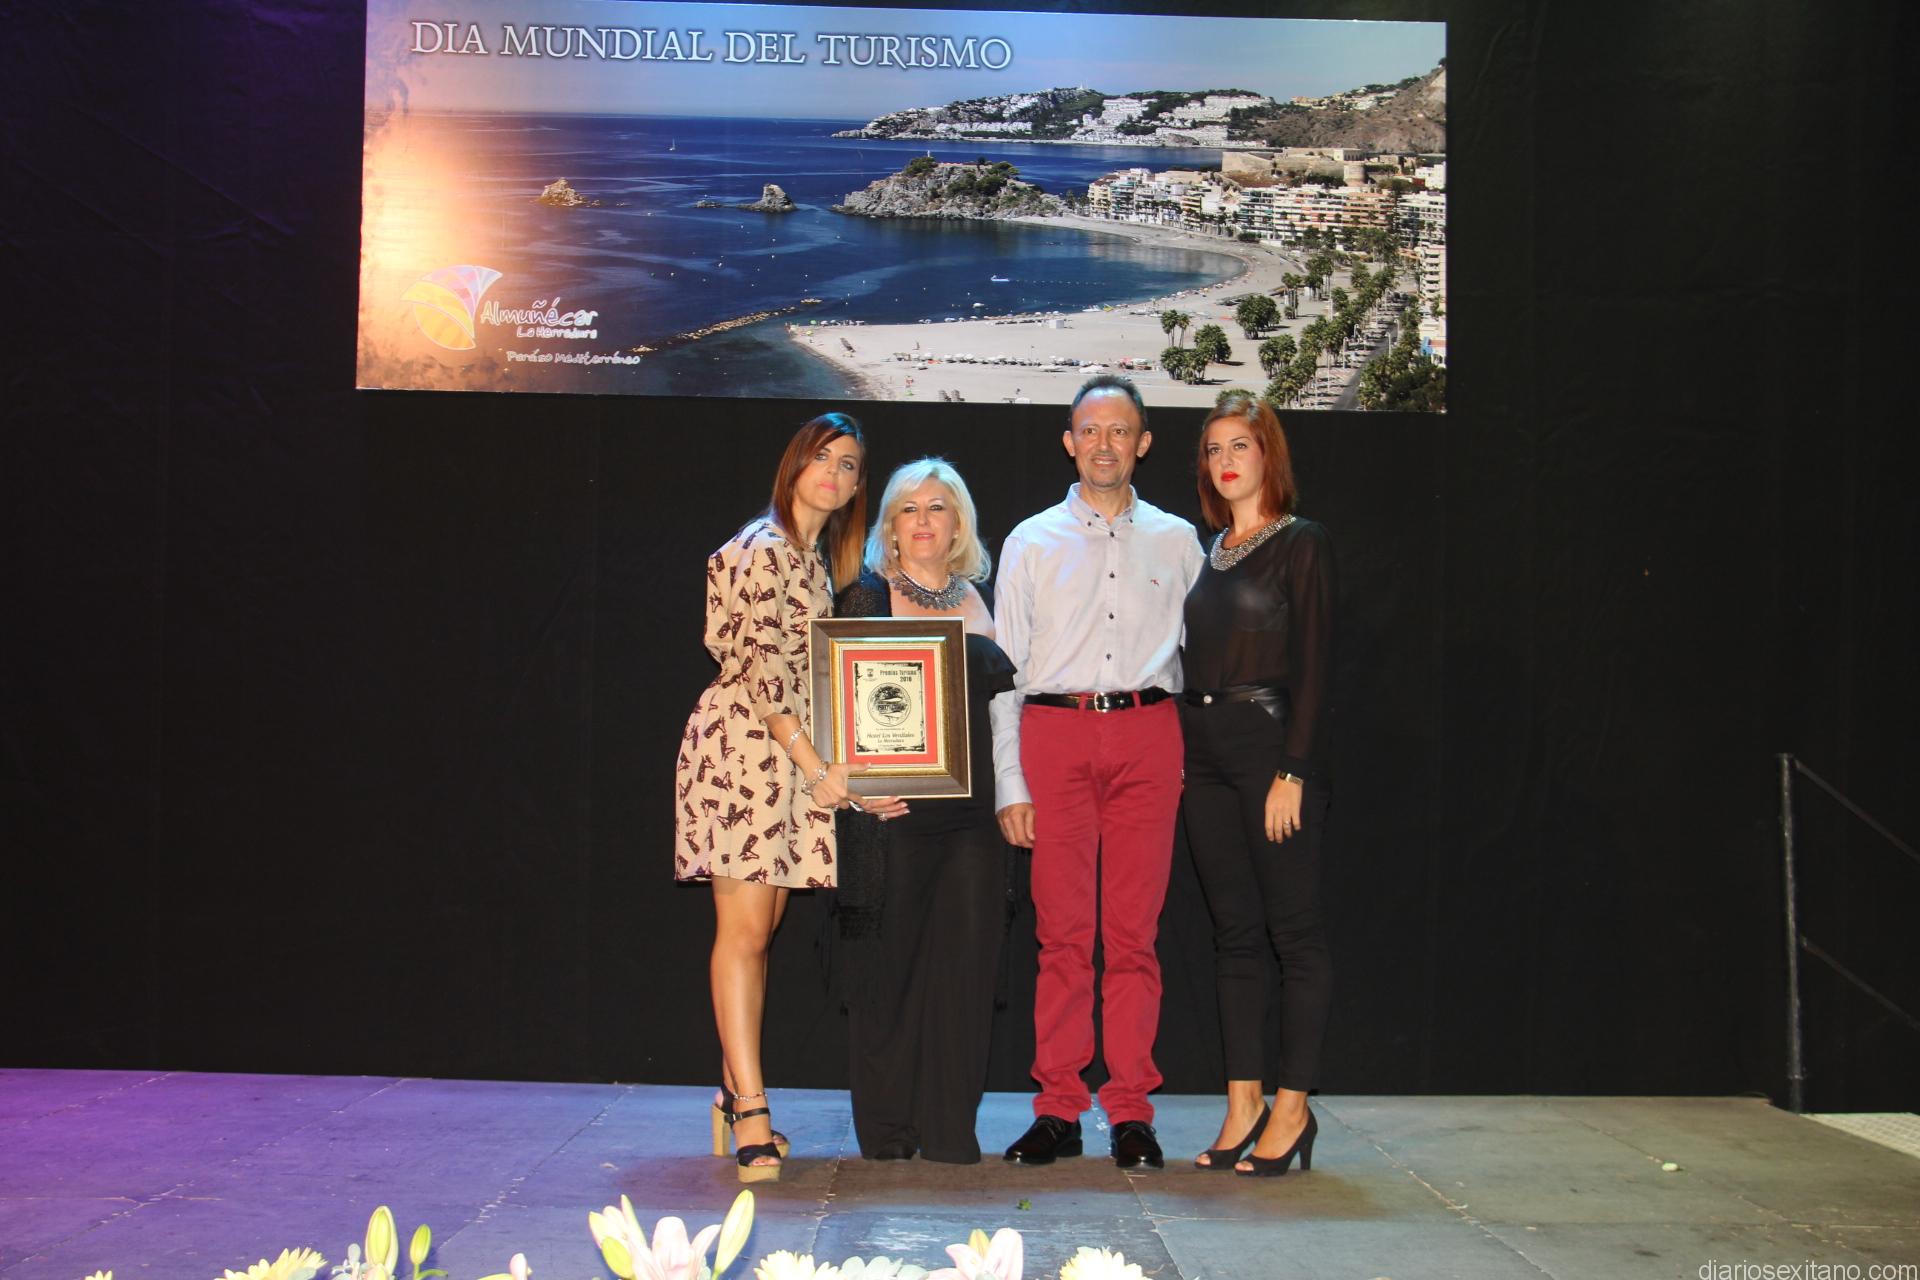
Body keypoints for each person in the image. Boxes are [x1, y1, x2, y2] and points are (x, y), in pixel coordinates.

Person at [673, 411, 903, 1183]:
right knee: (742, 933)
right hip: (744, 751)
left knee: (761, 933)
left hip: (788, 758)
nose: (835, 474)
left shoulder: (812, 561)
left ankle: (730, 1092)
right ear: (795, 464)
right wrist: (814, 766)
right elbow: (763, 671)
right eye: (823, 458)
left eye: (850, 465)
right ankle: (750, 1111)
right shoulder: (760, 548)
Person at [991, 374, 1204, 1170]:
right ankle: (1058, 1107)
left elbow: (1209, 651)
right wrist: (1010, 781)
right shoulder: (1030, 541)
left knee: (1134, 937)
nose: (1104, 444)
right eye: (1090, 430)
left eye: (1119, 430)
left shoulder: (1178, 541)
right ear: (1069, 441)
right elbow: (1004, 672)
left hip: (1149, 735)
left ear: (1143, 442)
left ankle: (1131, 1111)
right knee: (1063, 937)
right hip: (1054, 736)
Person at [833, 458, 1016, 1164]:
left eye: (937, 507)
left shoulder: (981, 602)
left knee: (965, 971)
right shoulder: (865, 597)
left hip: (974, 817)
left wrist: (1014, 793)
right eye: (908, 508)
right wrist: (857, 787)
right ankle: (888, 1129)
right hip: (894, 812)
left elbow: (1005, 714)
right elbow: (836, 706)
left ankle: (948, 1129)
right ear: (889, 526)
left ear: (958, 523)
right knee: (891, 970)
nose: (923, 520)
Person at [1179, 391, 1335, 1177]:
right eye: (1213, 449)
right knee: (1233, 934)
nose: (1225, 460)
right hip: (1204, 754)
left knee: (1293, 935)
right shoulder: (1211, 550)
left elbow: (1315, 668)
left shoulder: (1301, 543)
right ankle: (1243, 1103)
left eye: (1239, 444)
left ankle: (1294, 1107)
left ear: (1268, 453)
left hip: (1269, 747)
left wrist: (1292, 770)